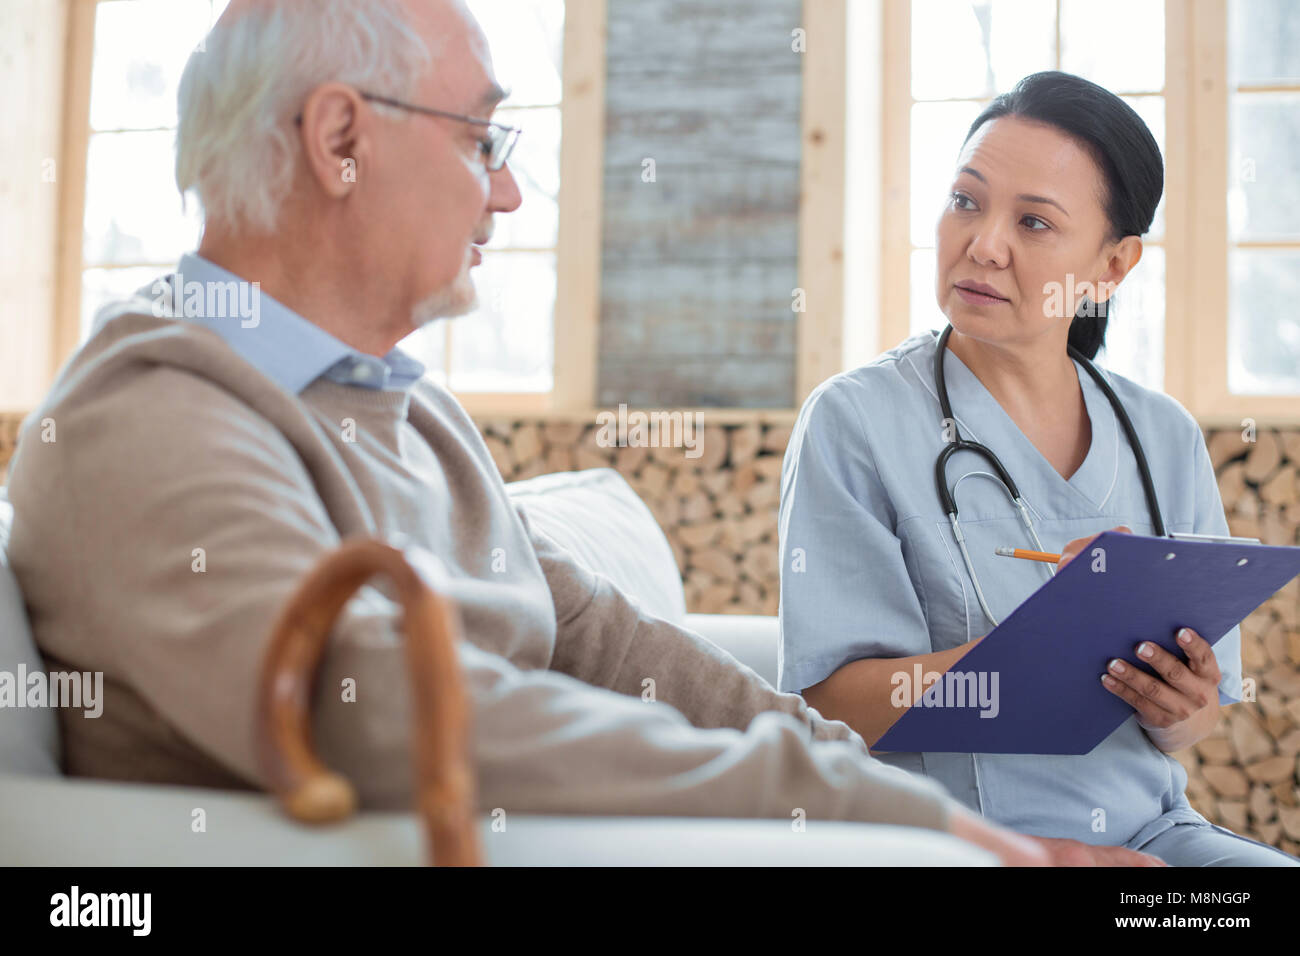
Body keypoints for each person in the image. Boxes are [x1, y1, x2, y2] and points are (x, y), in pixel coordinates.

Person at [6, 3, 1156, 866]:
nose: (506, 197)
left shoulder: (401, 405)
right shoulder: (151, 415)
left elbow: (595, 634)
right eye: (481, 141)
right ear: (339, 139)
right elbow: (386, 713)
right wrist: (891, 813)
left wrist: (873, 784)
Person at [779, 71, 1298, 866]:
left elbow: (1196, 723)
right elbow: (830, 702)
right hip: (953, 842)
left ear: (1113, 266)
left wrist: (1178, 706)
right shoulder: (855, 421)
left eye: (1033, 221)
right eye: (965, 201)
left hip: (1156, 835)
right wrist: (1030, 655)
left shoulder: (1162, 435)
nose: (984, 243)